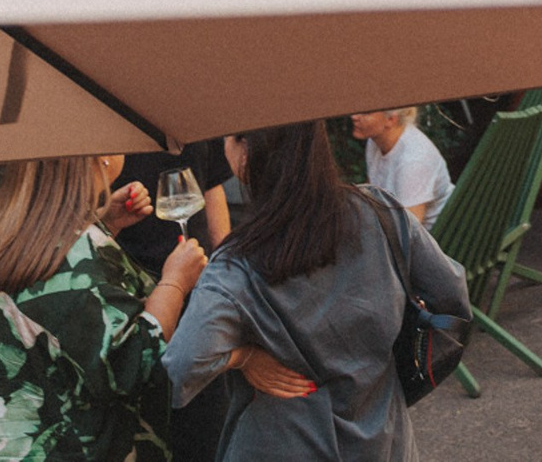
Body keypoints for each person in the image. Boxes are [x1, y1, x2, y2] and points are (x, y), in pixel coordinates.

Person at [165, 121, 468, 461]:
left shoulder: (234, 266)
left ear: (246, 151)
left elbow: (181, 367)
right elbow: (451, 292)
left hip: (279, 443)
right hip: (383, 439)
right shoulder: (380, 213)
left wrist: (243, 357)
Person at [0, 155, 208, 462]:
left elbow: (55, 314)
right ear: (100, 159)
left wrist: (103, 223)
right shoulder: (75, 256)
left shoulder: (7, 228)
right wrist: (175, 282)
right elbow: (132, 362)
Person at [114, 144, 235, 462]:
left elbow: (211, 188)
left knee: (204, 425)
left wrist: (224, 269)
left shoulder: (195, 116)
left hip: (199, 292)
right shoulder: (110, 120)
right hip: (131, 297)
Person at [350, 106, 456, 228]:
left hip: (438, 233)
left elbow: (409, 230)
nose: (354, 116)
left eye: (366, 112)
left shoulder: (413, 160)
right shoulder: (375, 141)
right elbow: (371, 194)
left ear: (391, 119)